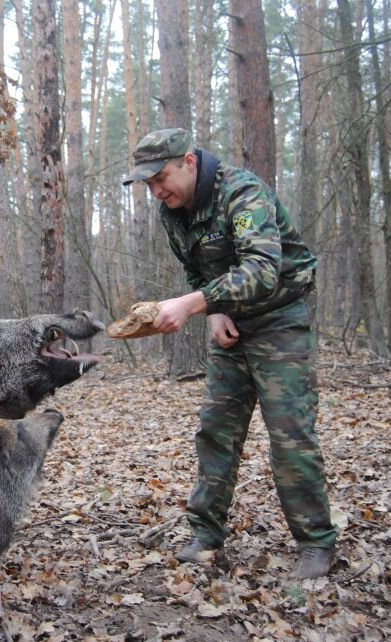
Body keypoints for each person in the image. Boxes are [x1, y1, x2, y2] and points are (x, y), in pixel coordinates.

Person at [122, 128, 337, 579]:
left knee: (290, 438)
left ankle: (316, 543)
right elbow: (195, 268)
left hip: (279, 320)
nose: (157, 191)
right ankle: (206, 534)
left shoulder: (242, 193)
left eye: (161, 177)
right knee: (215, 432)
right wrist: (213, 312)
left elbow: (261, 269)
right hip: (232, 326)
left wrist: (193, 304)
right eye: (148, 185)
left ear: (189, 162)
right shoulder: (173, 212)